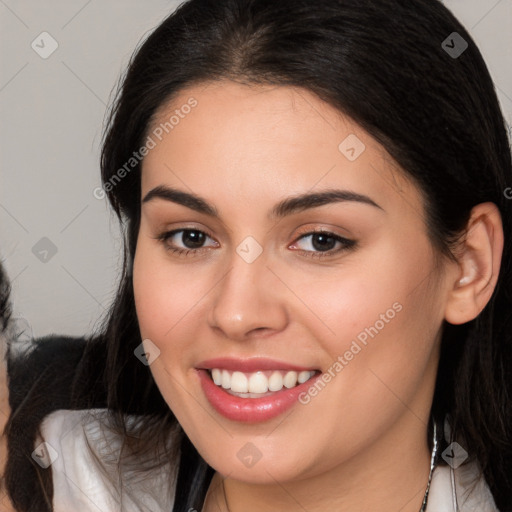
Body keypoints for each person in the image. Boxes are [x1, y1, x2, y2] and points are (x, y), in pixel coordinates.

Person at [3, 0, 512, 510]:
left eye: (320, 240)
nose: (237, 313)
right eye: (190, 237)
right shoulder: (34, 478)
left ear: (469, 266)